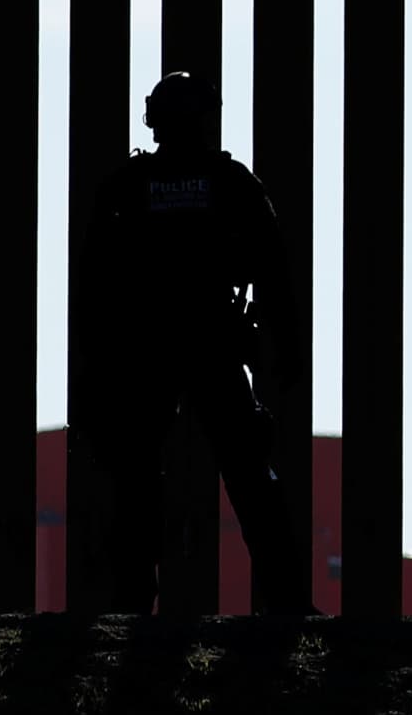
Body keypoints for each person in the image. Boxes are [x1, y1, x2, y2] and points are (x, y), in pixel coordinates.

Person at [81, 71, 311, 615]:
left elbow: (94, 281)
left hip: (146, 350)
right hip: (211, 344)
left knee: (138, 476)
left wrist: (96, 365)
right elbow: (274, 268)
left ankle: (132, 601)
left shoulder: (128, 185)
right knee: (250, 473)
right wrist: (283, 349)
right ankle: (286, 602)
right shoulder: (229, 182)